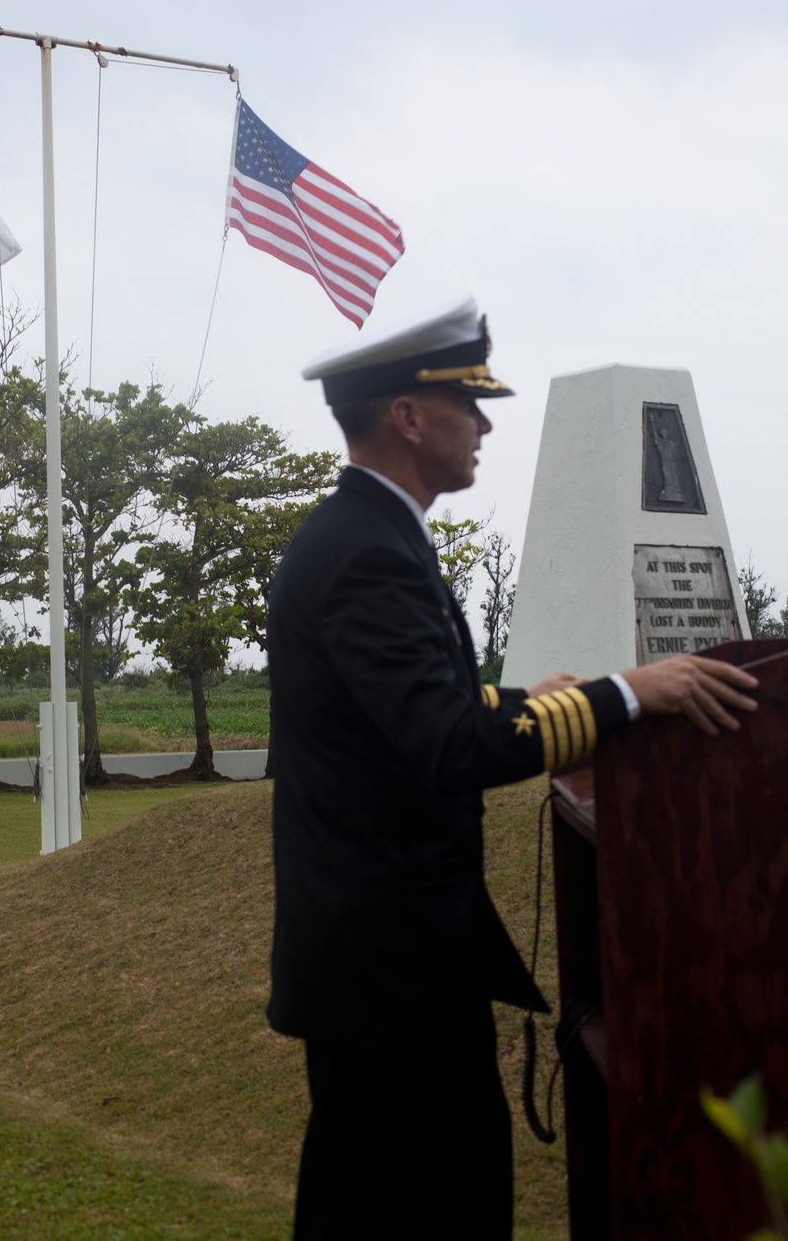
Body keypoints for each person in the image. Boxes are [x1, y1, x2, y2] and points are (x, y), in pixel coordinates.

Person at [265, 297, 758, 1240]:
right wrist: (629, 694)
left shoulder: (367, 534)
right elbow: (449, 745)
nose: (485, 425)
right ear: (409, 416)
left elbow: (421, 711)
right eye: (468, 403)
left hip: (384, 968)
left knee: (379, 1199)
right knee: (413, 1203)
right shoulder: (371, 552)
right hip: (390, 977)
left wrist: (531, 699)